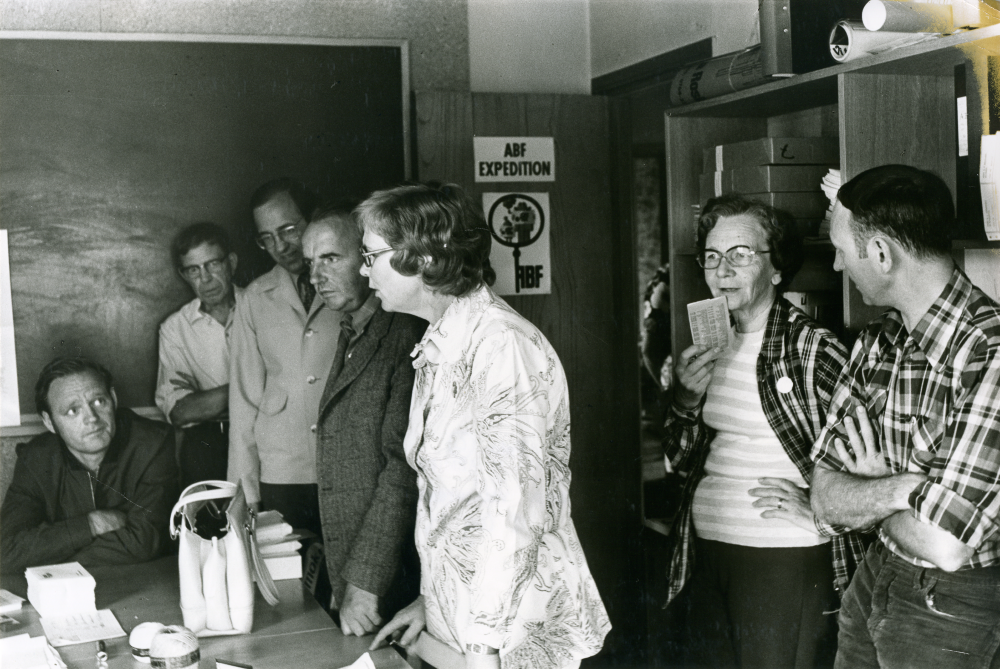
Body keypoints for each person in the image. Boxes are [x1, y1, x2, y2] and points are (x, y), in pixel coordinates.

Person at [362, 183, 610, 669]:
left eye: (372, 255)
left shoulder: (501, 347)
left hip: (512, 635)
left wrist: (483, 648)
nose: (363, 268)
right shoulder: (443, 341)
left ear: (427, 258)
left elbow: (513, 509)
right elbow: (456, 508)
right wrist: (430, 604)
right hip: (467, 624)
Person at [810, 165, 1000, 669]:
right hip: (875, 575)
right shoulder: (877, 342)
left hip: (955, 604)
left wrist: (870, 490)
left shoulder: (990, 353)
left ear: (880, 254)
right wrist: (902, 489)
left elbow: (947, 545)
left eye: (841, 250)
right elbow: (825, 497)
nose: (835, 265)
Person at [663, 195, 862, 669]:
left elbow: (867, 456)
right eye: (712, 257)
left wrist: (819, 512)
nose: (722, 269)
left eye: (740, 254)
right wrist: (686, 401)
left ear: (776, 269)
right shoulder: (710, 343)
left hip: (782, 561)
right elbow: (678, 461)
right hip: (707, 551)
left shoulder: (812, 348)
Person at [301, 201, 425, 637]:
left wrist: (364, 581)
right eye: (310, 263)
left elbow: (401, 469)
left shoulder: (404, 334)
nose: (316, 277)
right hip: (359, 566)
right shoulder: (353, 328)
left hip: (395, 574)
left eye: (330, 259)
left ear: (368, 258)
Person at [228, 178, 339, 536]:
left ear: (312, 219)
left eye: (289, 229)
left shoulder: (352, 285)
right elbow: (244, 400)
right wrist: (245, 488)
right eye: (267, 237)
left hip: (344, 464)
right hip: (282, 470)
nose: (280, 246)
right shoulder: (255, 297)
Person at [1, 357, 178, 572]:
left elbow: (144, 542)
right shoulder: (37, 458)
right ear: (49, 422)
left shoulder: (152, 443)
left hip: (143, 583)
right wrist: (91, 524)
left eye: (98, 402)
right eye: (73, 411)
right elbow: (5, 551)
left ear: (113, 398)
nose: (92, 418)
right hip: (65, 592)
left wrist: (48, 556)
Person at [156, 222, 242, 488]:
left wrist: (210, 401)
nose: (205, 279)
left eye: (213, 265)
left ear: (231, 262)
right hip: (209, 445)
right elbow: (181, 411)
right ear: (184, 275)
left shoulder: (264, 308)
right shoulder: (174, 329)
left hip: (270, 439)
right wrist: (250, 387)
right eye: (194, 270)